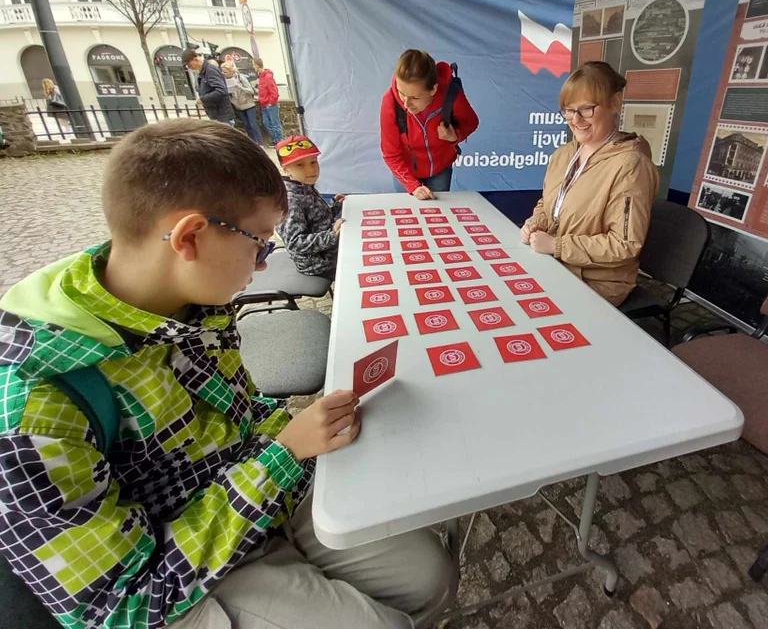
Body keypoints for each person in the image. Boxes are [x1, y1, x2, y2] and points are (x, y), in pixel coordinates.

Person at [0, 118, 455, 629]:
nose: (263, 265)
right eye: (259, 242)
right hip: (174, 579)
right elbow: (120, 603)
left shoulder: (190, 300)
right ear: (190, 237)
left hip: (245, 492)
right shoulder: (37, 403)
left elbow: (238, 415)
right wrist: (284, 454)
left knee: (428, 575)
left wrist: (289, 435)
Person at [521, 61, 659, 307]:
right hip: (558, 263)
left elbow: (625, 245)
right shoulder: (564, 154)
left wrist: (557, 245)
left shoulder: (630, 165)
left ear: (614, 103)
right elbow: (550, 203)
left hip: (596, 281)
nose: (576, 120)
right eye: (568, 110)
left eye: (586, 109)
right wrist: (535, 224)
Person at [380, 49, 479, 200]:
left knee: (439, 217)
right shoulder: (390, 101)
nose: (406, 104)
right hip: (406, 173)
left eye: (414, 97)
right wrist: (413, 186)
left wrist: (454, 136)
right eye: (401, 93)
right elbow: (391, 155)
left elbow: (472, 123)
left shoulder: (450, 94)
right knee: (408, 217)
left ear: (433, 89)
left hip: (440, 170)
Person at [276, 135, 345, 281]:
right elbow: (295, 243)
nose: (310, 169)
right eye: (300, 165)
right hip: (318, 263)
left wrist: (335, 206)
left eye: (313, 162)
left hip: (327, 251)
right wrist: (332, 235)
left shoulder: (303, 186)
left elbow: (317, 220)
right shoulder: (290, 200)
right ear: (286, 170)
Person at [182, 49, 234, 124]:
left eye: (190, 65)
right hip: (216, 115)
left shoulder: (210, 70)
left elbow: (221, 91)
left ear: (195, 59)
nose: (190, 68)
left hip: (222, 116)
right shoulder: (203, 72)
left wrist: (202, 99)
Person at [223, 63, 263, 146]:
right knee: (247, 125)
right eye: (223, 72)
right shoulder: (224, 80)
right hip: (239, 106)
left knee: (253, 124)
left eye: (226, 72)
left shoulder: (241, 77)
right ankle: (253, 143)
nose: (224, 74)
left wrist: (240, 87)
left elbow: (251, 91)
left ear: (231, 71)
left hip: (248, 104)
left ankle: (260, 143)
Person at [254, 57, 284, 146]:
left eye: (253, 65)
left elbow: (274, 91)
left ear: (256, 66)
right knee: (266, 123)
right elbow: (263, 90)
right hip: (264, 104)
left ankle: (280, 140)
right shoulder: (261, 77)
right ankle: (276, 139)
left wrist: (271, 102)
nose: (253, 67)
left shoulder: (268, 77)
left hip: (270, 104)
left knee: (275, 123)